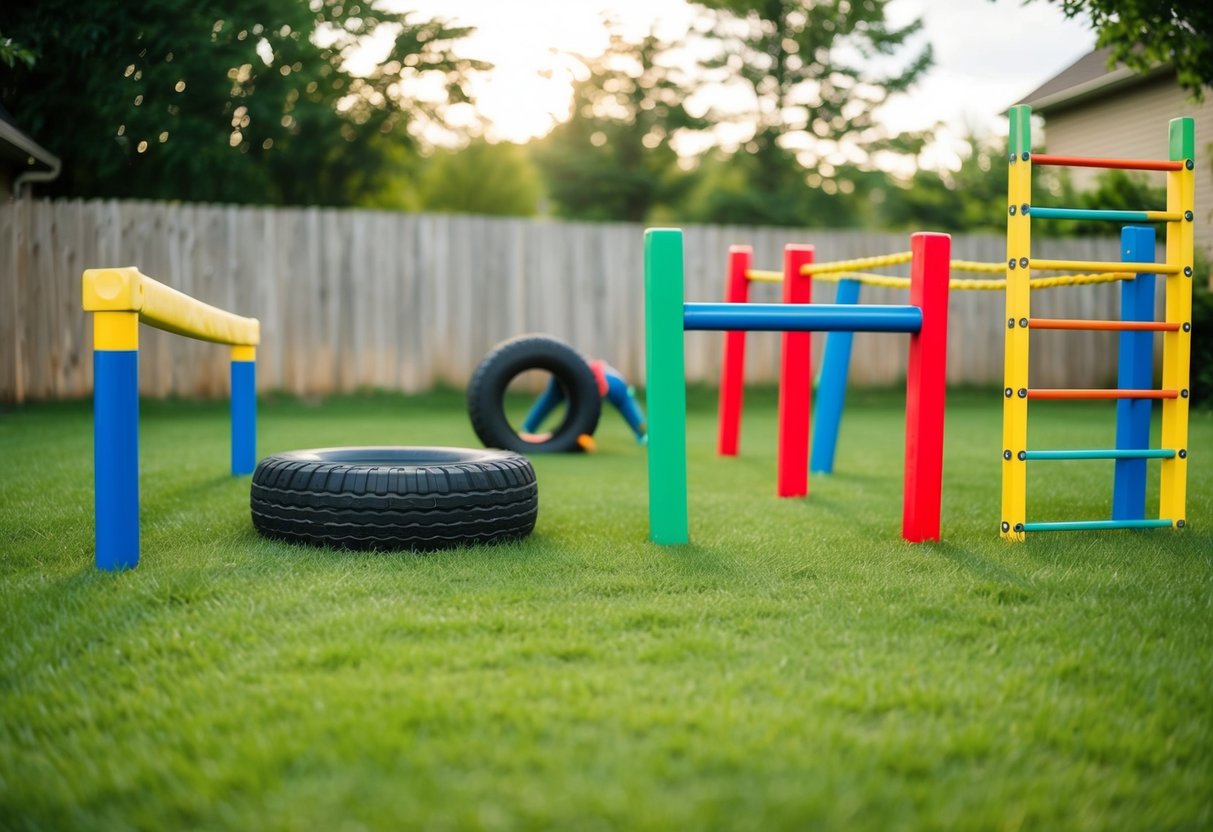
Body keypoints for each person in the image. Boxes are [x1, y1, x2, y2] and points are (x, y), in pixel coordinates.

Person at [522, 359, 647, 445]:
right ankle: (527, 429)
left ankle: (642, 434)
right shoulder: (617, 387)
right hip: (578, 376)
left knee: (556, 403)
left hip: (603, 380)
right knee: (551, 401)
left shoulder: (617, 387)